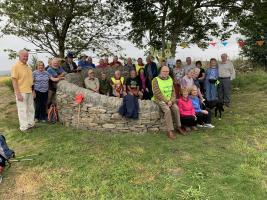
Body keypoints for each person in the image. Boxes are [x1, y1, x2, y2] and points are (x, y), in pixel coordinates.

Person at [152, 66, 185, 139]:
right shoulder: (155, 80)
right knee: (167, 110)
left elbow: (173, 91)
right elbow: (157, 93)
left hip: (169, 100)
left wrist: (172, 100)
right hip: (160, 99)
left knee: (176, 108)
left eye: (167, 71)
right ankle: (170, 130)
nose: (166, 73)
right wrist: (167, 101)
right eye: (164, 71)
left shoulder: (170, 79)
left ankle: (178, 127)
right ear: (160, 71)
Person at [11, 49, 35, 132]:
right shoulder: (16, 66)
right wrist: (17, 93)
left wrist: (33, 90)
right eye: (24, 56)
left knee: (31, 109)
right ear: (19, 56)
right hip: (21, 92)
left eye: (27, 56)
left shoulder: (28, 66)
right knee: (22, 110)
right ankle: (24, 128)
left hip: (29, 91)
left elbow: (30, 80)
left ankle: (30, 124)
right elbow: (14, 81)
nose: (26, 57)